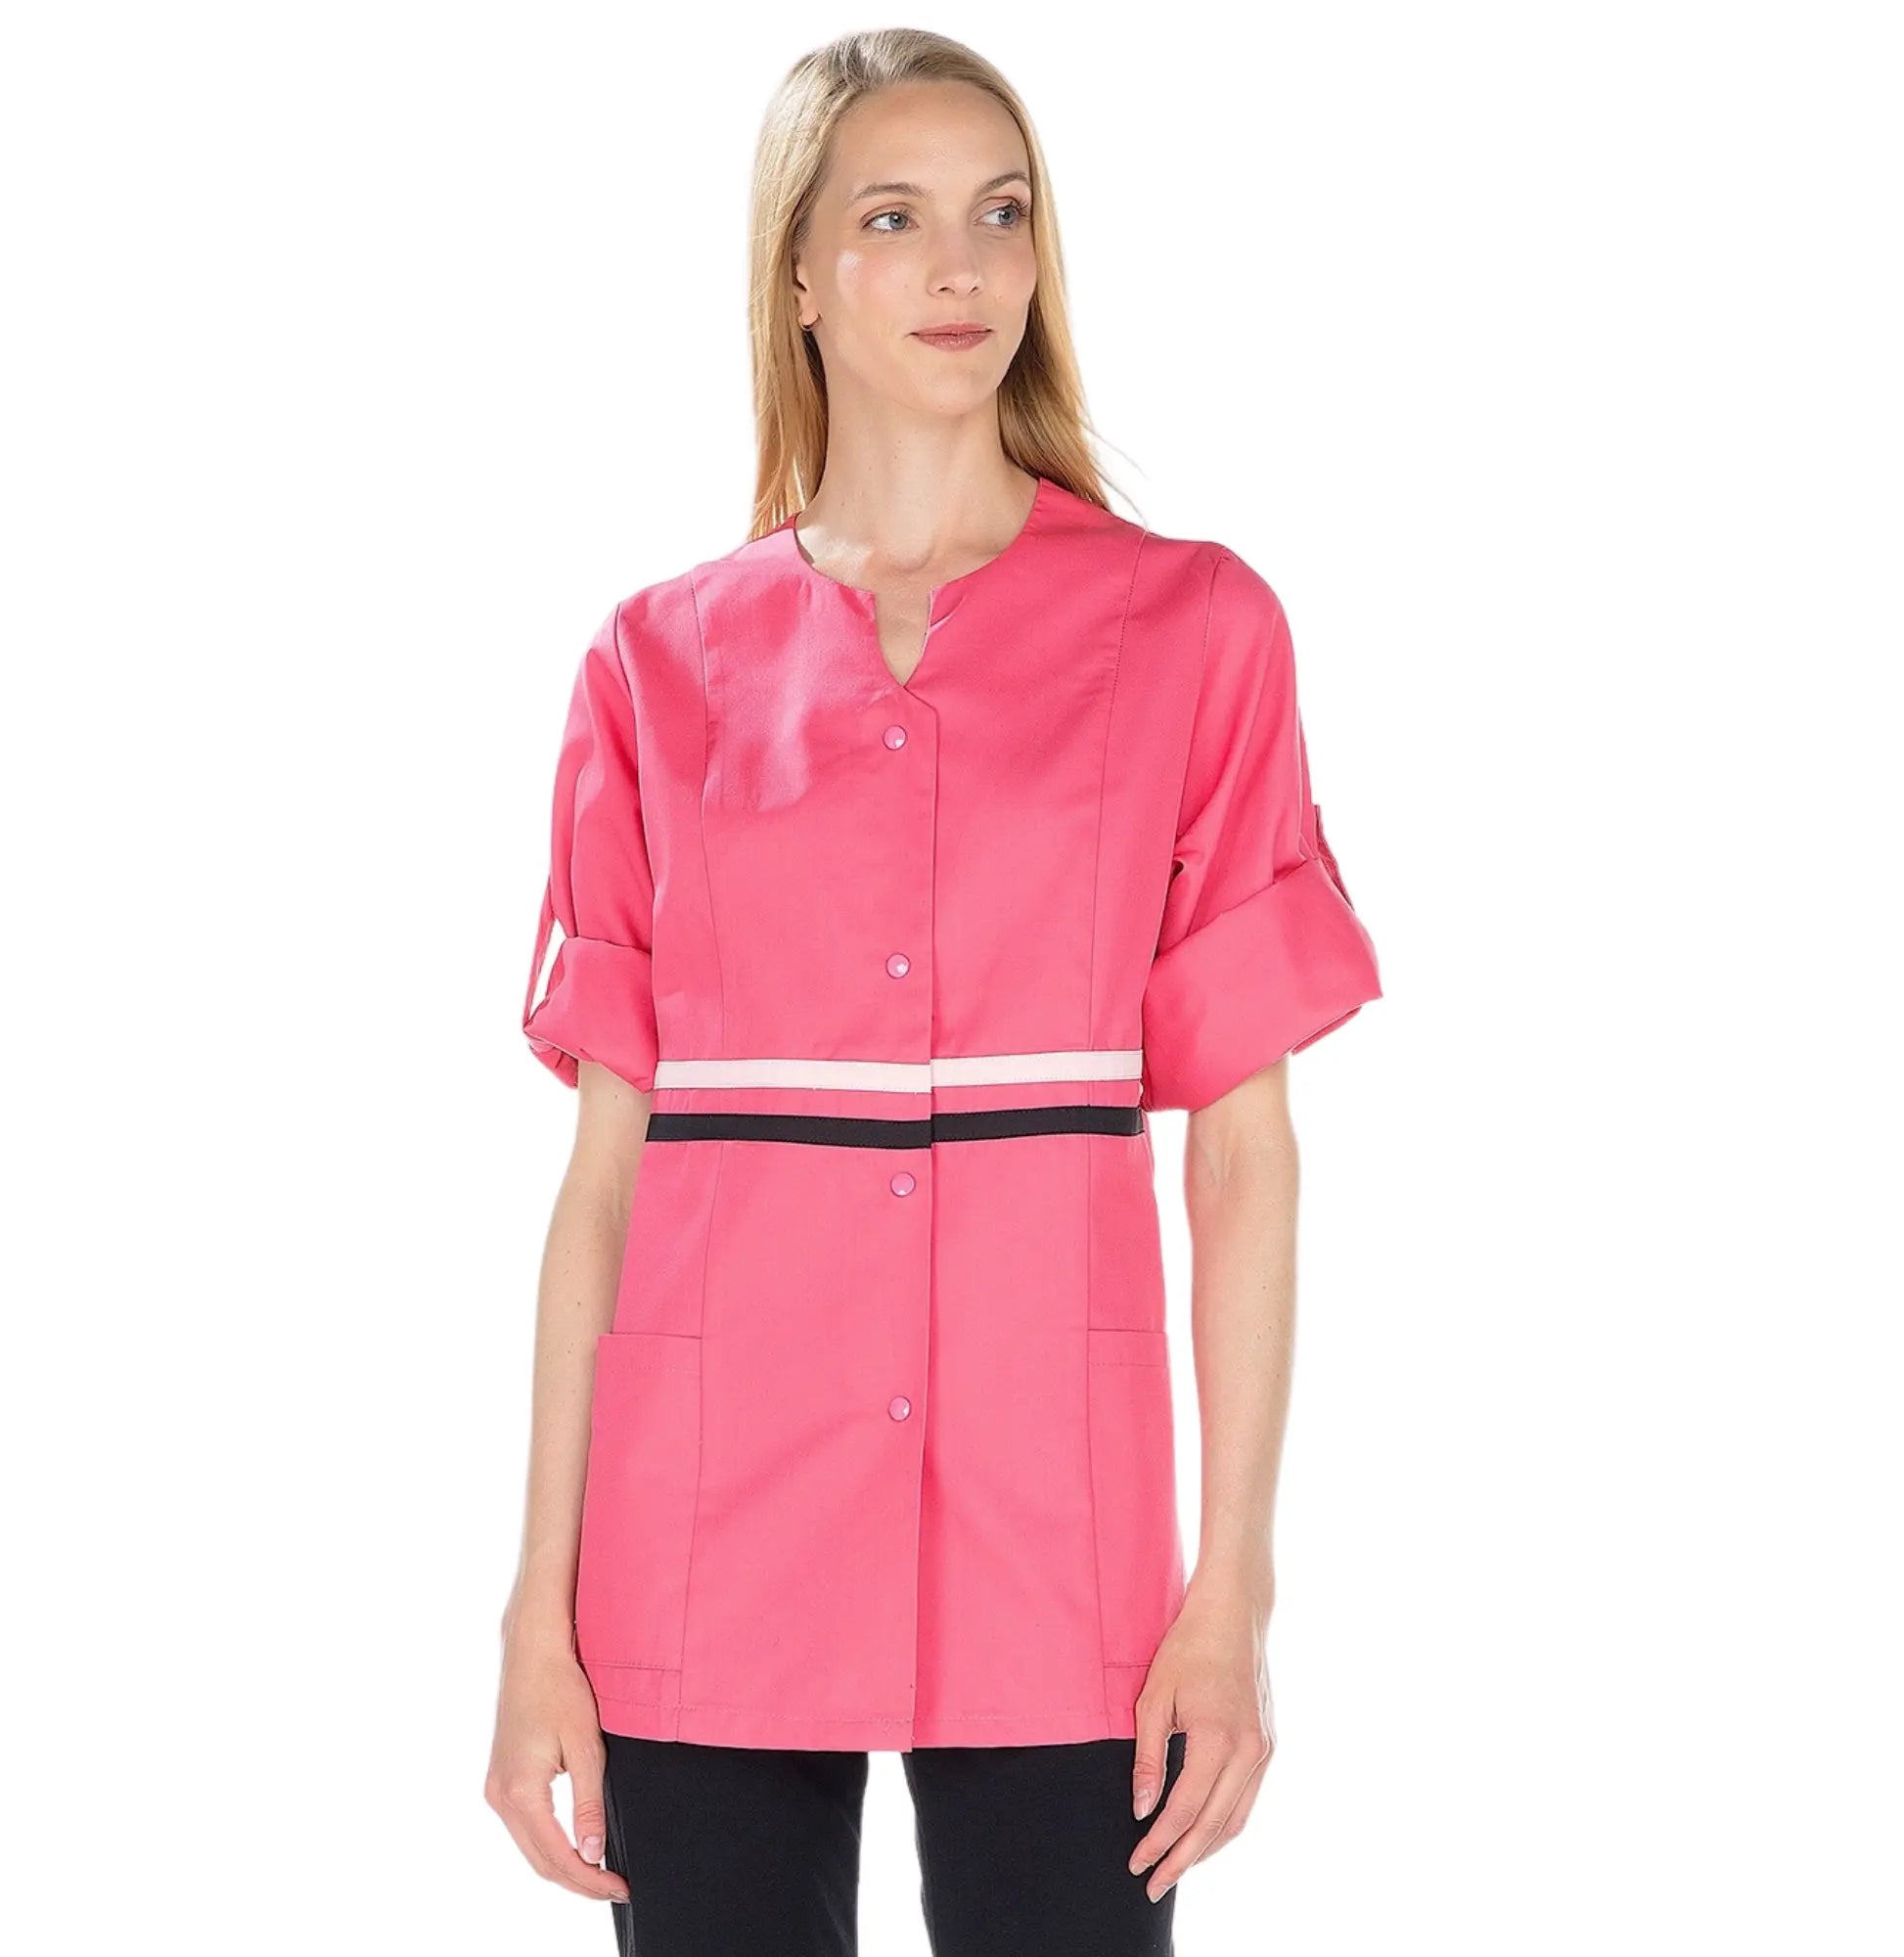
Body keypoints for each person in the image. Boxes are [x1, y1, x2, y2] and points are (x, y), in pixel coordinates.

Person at [484, 28, 1383, 1956]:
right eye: (892, 219)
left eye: (1001, 213)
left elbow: (1244, 1155)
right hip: (704, 1527)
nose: (962, 267)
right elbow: (605, 1185)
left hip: (1064, 1536)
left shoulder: (1196, 628)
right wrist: (534, 1612)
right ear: (800, 275)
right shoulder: (654, 664)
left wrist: (1233, 1589)